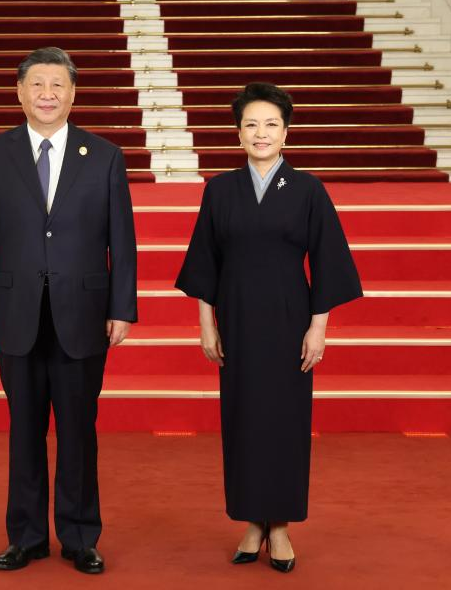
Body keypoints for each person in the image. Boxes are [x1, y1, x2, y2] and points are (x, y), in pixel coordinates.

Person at [175, 82, 362, 573]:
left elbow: (328, 263)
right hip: (235, 320)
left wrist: (318, 328)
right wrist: (206, 325)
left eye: (271, 124)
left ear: (286, 133)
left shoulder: (308, 190)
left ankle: (279, 526)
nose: (261, 133)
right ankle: (251, 521)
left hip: (287, 321)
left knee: (284, 422)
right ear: (238, 133)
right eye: (251, 124)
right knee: (242, 420)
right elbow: (205, 263)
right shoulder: (220, 189)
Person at [0, 47, 138, 575]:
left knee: (78, 431)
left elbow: (122, 240)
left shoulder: (104, 155)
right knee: (24, 431)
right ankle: (26, 536)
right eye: (37, 84)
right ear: (19, 92)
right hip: (14, 311)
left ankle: (80, 536)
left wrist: (122, 307)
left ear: (72, 93)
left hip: (83, 312)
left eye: (57, 85)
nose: (47, 94)